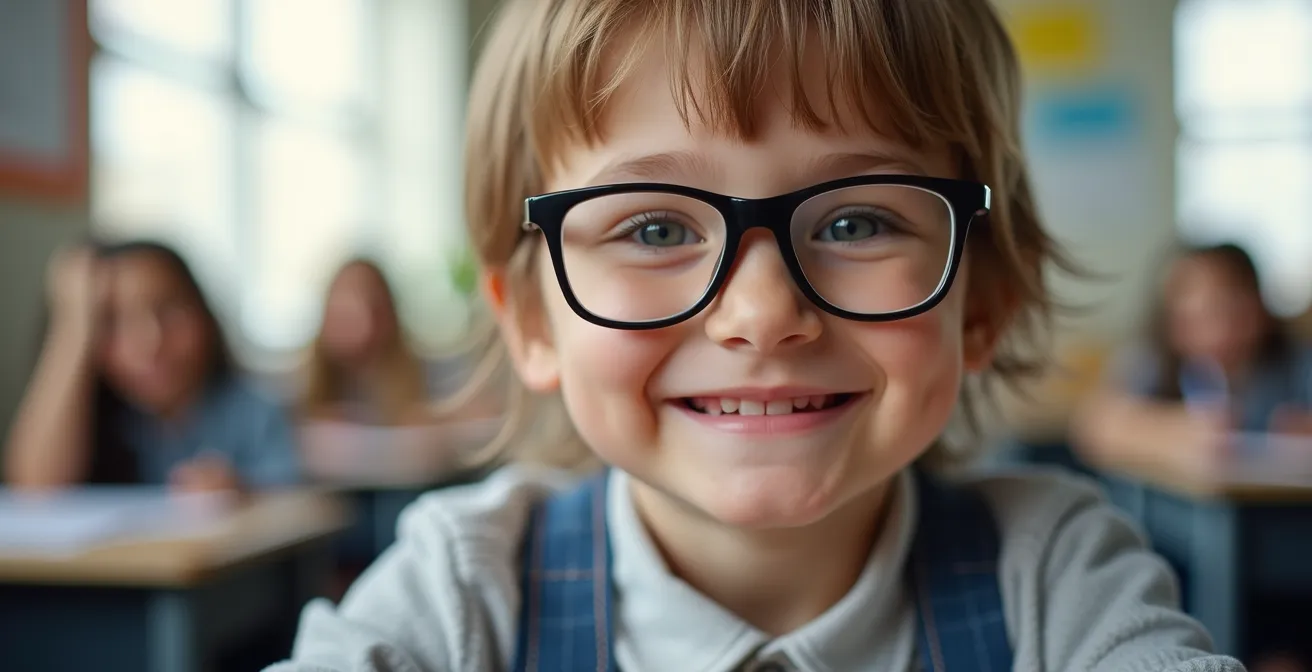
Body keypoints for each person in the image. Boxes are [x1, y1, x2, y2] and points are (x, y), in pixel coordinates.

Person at [270, 1, 1241, 670]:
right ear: (532, 320)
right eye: (653, 230)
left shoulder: (1053, 572)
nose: (762, 312)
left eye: (857, 222)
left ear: (977, 302)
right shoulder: (464, 591)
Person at [5, 241, 299, 491]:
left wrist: (242, 490)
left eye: (169, 309)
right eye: (112, 321)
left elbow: (292, 504)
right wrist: (74, 325)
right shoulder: (98, 416)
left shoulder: (253, 412)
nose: (150, 342)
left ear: (205, 315)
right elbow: (33, 489)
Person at [1075, 243, 1312, 474]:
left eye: (1225, 309)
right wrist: (1177, 431)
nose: (1214, 331)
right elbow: (1095, 424)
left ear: (1257, 307)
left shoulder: (1296, 362)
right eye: (1193, 317)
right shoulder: (1159, 358)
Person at [300, 259, 433, 425]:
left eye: (373, 303)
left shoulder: (427, 381)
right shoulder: (298, 393)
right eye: (344, 307)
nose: (359, 314)